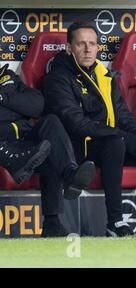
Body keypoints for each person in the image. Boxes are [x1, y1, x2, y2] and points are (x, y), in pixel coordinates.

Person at [44, 21, 136, 237]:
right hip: (80, 150)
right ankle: (114, 223)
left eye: (92, 44)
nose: (88, 49)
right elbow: (76, 124)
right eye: (81, 44)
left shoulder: (104, 75)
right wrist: (121, 136)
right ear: (69, 48)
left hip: (113, 144)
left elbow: (123, 114)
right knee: (115, 143)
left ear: (98, 47)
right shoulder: (57, 78)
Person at [0, 63, 95, 237]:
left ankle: (70, 175)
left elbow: (37, 105)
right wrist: (16, 108)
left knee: (50, 123)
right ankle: (52, 221)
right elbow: (22, 108)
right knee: (42, 151)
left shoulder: (9, 77)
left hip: (25, 142)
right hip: (4, 144)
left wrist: (3, 99)